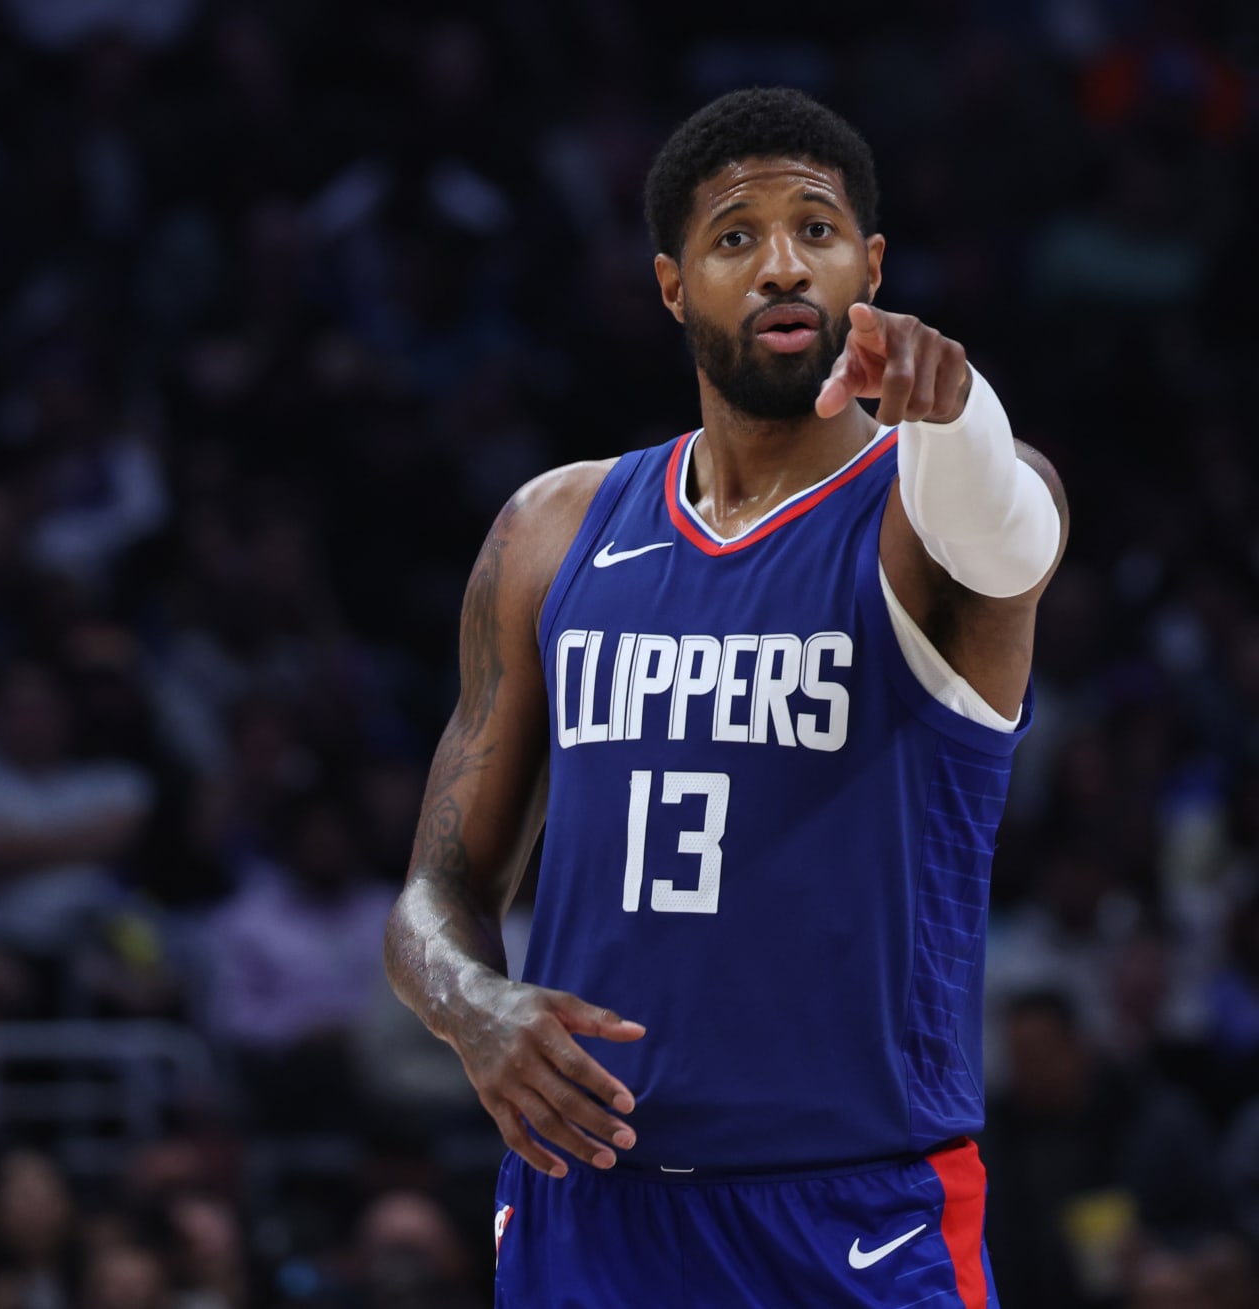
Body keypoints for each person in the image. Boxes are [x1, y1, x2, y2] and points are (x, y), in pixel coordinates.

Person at [383, 87, 1070, 1307]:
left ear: (872, 265)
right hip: (586, 1206)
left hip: (848, 1207)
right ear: (671, 284)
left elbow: (1012, 537)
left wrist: (958, 411)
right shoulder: (554, 532)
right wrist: (473, 1006)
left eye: (816, 228)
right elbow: (437, 892)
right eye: (734, 238)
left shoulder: (932, 506)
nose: (781, 266)